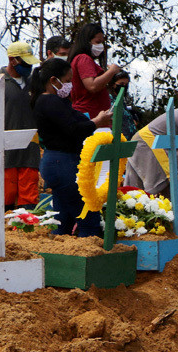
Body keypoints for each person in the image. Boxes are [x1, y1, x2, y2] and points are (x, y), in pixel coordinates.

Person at [30, 57, 110, 236]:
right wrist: (97, 122)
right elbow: (74, 128)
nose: (70, 86)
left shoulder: (54, 101)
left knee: (63, 219)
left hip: (59, 161)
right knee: (88, 216)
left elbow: (78, 119)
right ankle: (90, 254)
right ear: (53, 80)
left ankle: (62, 256)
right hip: (61, 163)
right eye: (67, 81)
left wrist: (93, 120)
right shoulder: (48, 101)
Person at [0, 41, 41, 211]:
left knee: (29, 202)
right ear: (12, 60)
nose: (28, 66)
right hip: (3, 152)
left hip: (29, 149)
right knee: (5, 199)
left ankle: (28, 236)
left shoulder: (33, 83)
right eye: (24, 62)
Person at [69, 23, 122, 117]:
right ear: (87, 41)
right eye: (97, 42)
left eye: (102, 42)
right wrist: (111, 71)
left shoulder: (81, 59)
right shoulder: (84, 59)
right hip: (90, 116)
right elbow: (92, 86)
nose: (100, 46)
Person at [108, 71, 139, 138]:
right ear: (113, 84)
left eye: (126, 84)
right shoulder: (109, 100)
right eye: (121, 83)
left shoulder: (122, 102)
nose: (124, 87)